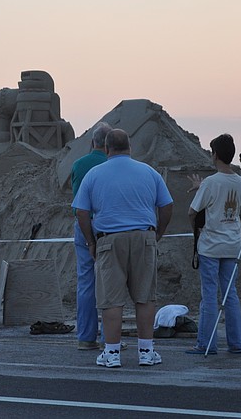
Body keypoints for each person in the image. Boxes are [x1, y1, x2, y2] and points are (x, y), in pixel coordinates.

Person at [72, 129, 173, 368]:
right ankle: (146, 352)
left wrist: (91, 241)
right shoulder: (149, 172)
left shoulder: (94, 174)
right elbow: (167, 205)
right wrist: (157, 233)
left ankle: (112, 353)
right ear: (130, 147)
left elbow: (81, 212)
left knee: (111, 300)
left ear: (106, 149)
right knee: (145, 297)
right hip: (144, 236)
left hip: (109, 239)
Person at [186, 134, 241, 355]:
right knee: (230, 294)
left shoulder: (210, 183)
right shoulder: (239, 180)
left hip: (211, 245)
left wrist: (197, 229)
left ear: (215, 154)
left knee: (209, 295)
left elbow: (192, 212)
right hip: (232, 243)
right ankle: (236, 343)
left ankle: (207, 343)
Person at [70, 121, 112, 350]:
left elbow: (77, 204)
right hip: (108, 226)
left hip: (83, 224)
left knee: (86, 282)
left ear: (91, 143)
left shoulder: (79, 164)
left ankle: (86, 338)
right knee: (109, 282)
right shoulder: (111, 164)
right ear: (109, 145)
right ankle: (109, 337)